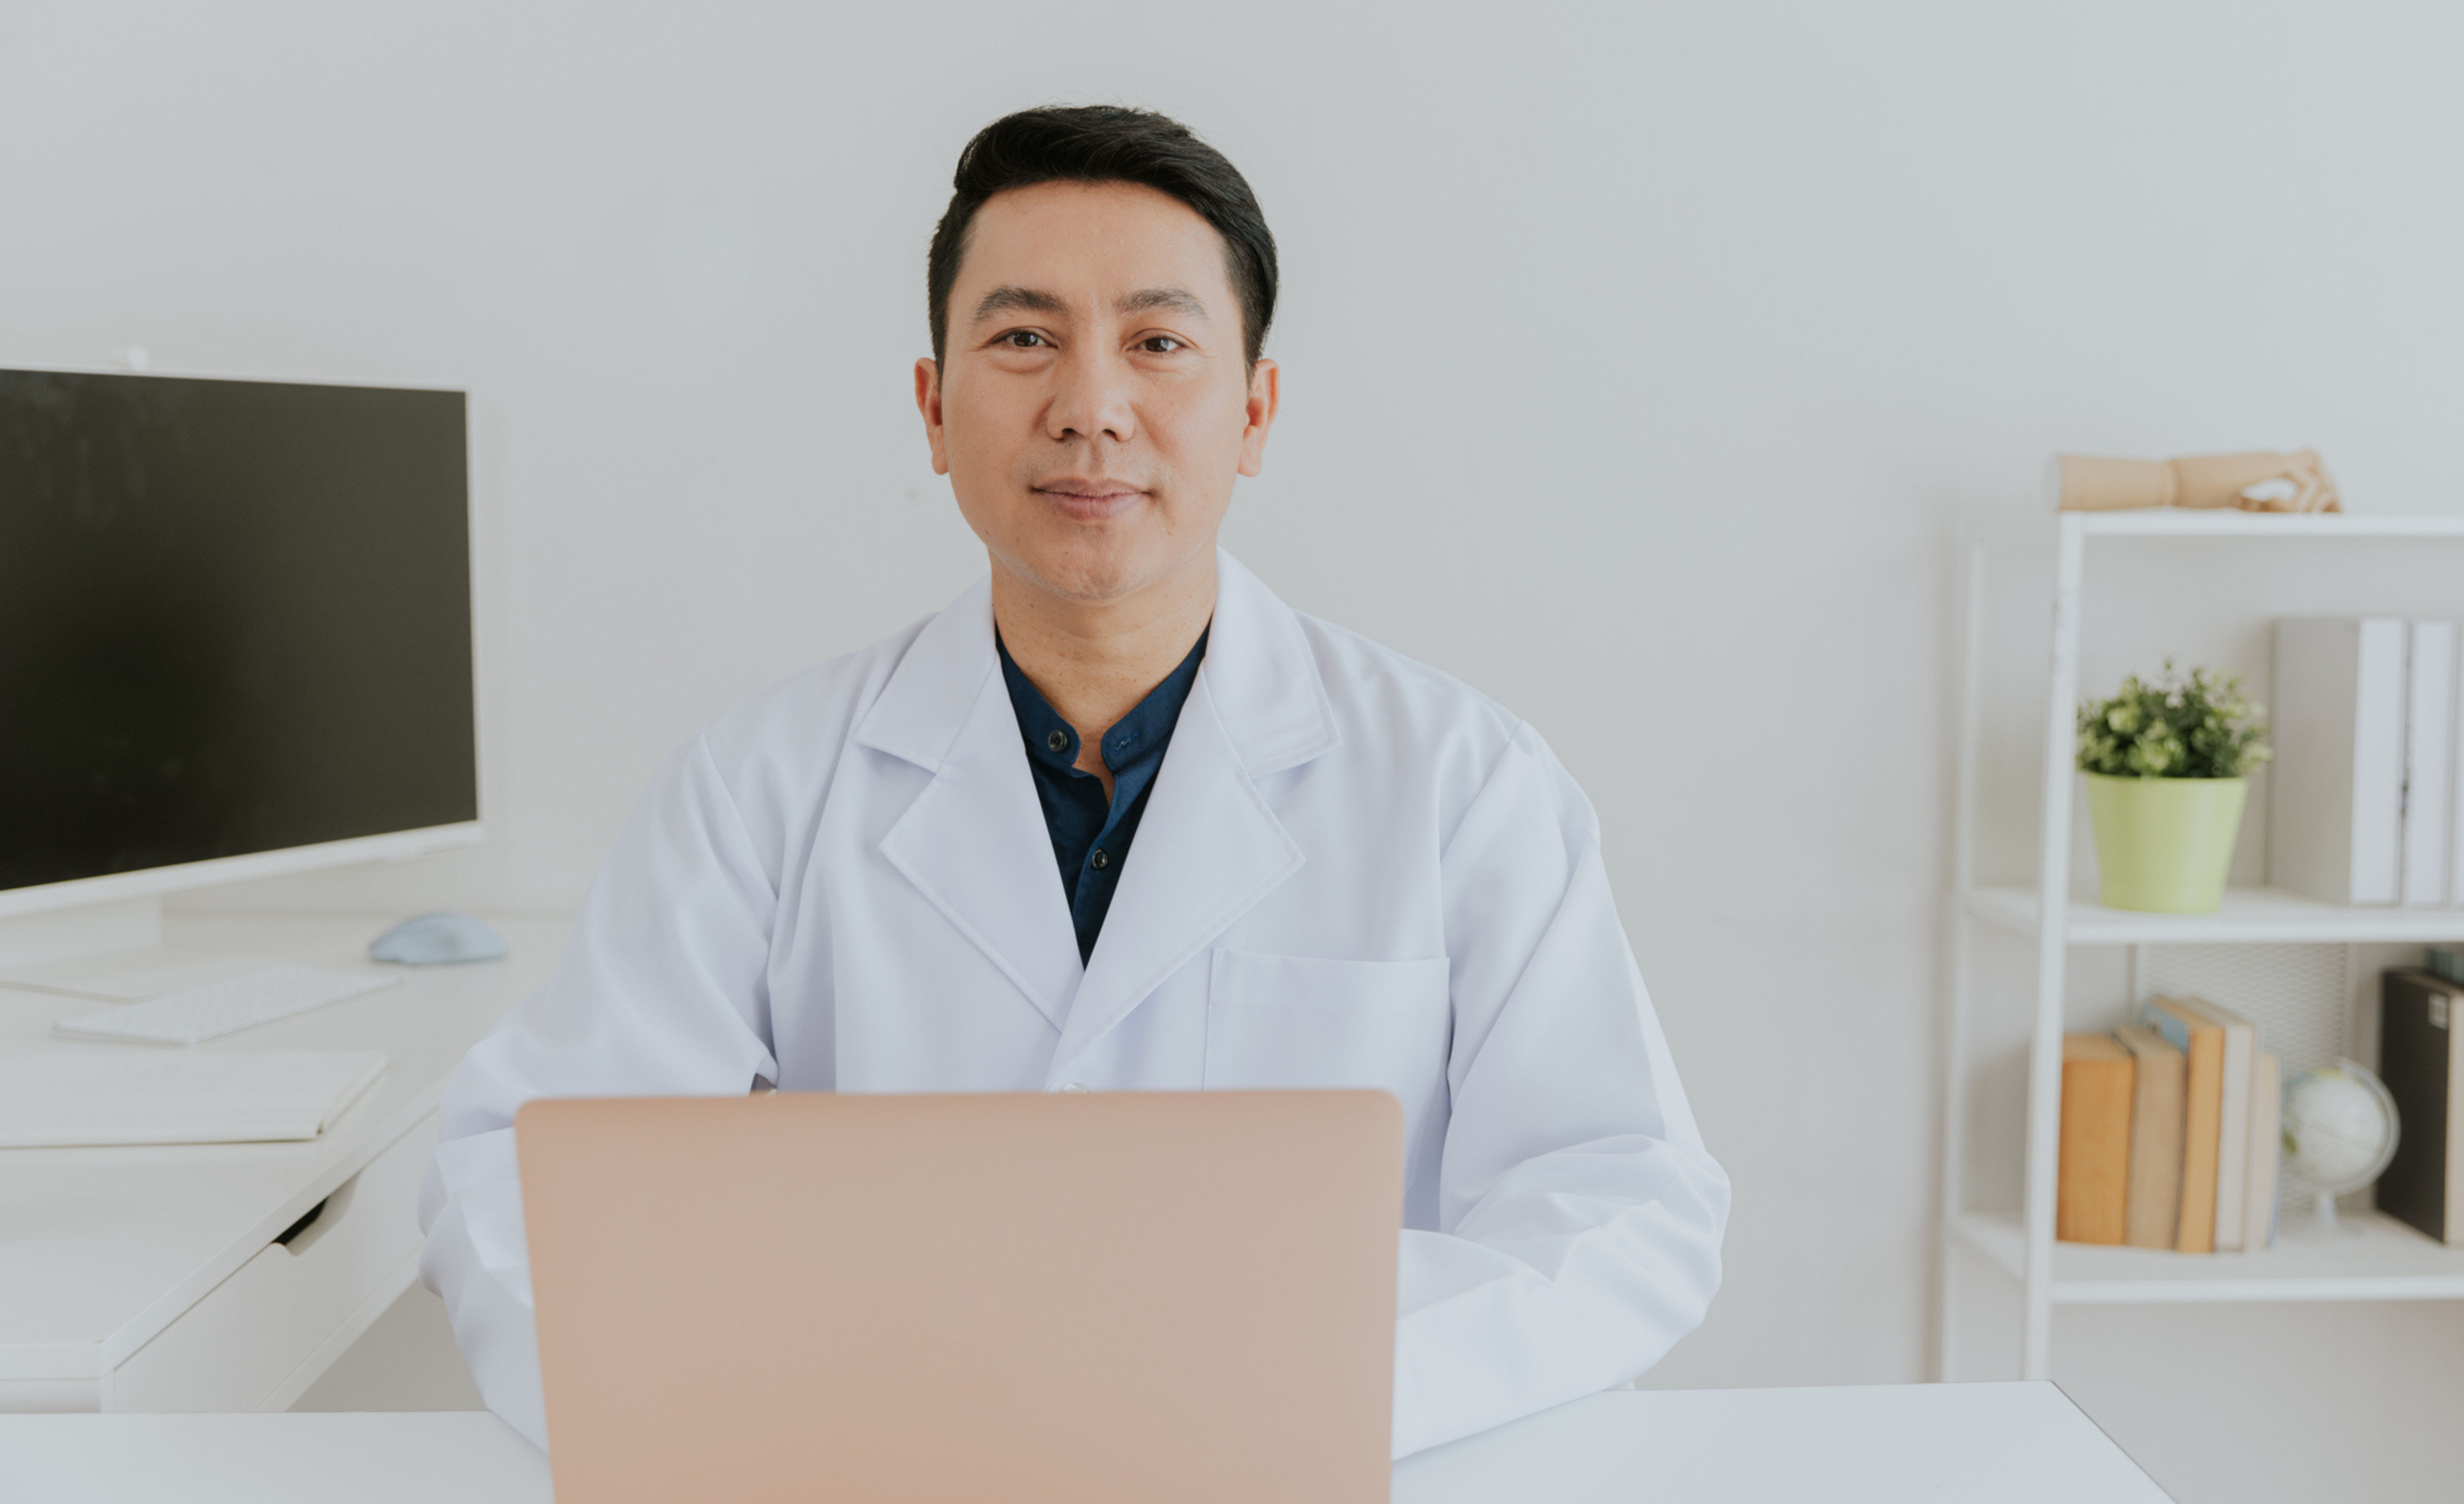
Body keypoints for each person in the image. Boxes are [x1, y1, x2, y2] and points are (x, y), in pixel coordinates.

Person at [418, 103, 1729, 1459]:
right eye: (1023, 338)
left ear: (1255, 412)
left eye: (1159, 343)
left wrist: (1288, 1377)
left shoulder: (1463, 783)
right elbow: (520, 1171)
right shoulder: (761, 787)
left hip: (1305, 1462)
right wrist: (700, 1400)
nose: (1091, 407)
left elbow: (1623, 1203)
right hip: (879, 1466)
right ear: (934, 406)